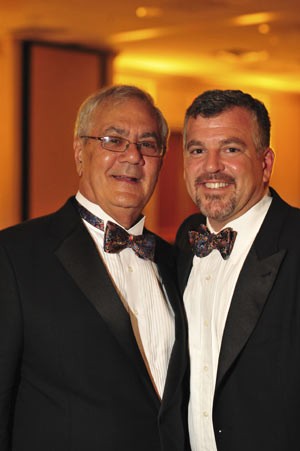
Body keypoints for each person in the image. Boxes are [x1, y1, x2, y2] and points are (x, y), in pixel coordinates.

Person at [0, 85, 188, 451]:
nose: (132, 156)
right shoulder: (14, 257)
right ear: (79, 153)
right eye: (113, 140)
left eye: (147, 144)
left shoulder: (178, 263)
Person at [176, 89, 300, 451]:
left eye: (231, 149)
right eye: (198, 150)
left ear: (265, 163)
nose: (211, 166)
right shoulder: (184, 243)